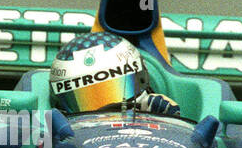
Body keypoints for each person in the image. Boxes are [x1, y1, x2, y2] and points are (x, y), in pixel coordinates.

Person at [47, 32, 180, 117]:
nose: (106, 111)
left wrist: (170, 124)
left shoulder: (158, 109)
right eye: (87, 99)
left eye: (112, 90)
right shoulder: (50, 130)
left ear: (142, 79)